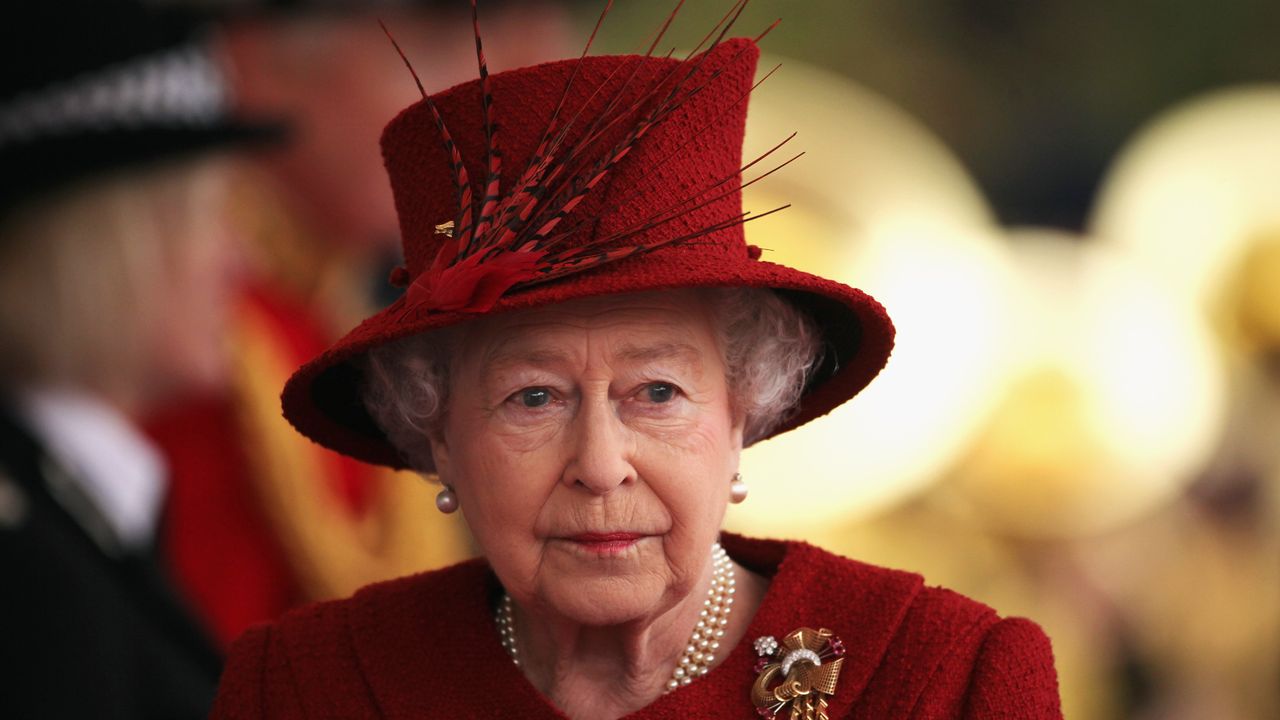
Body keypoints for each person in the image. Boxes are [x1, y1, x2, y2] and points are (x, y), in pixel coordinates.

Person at [211, 3, 1063, 718]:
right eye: (531, 397)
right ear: (437, 438)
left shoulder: (947, 681)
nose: (599, 465)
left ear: (743, 411)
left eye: (657, 391)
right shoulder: (303, 688)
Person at [0, 0, 280, 717]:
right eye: (205, 217)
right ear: (105, 248)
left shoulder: (72, 511)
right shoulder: (29, 573)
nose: (238, 259)